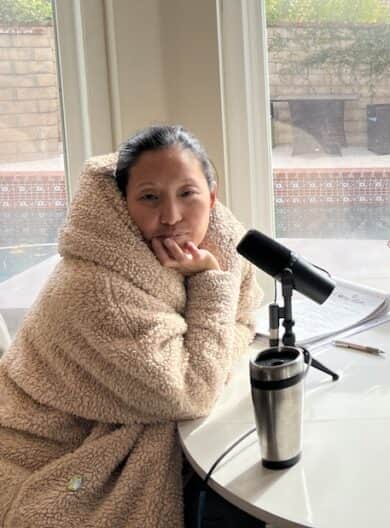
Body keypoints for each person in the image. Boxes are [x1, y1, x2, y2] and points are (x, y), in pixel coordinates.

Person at [0, 125, 262, 527]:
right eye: (149, 197)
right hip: (52, 454)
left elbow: (245, 316)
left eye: (187, 194)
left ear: (212, 195)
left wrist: (201, 350)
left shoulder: (217, 239)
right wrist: (210, 281)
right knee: (243, 492)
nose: (172, 216)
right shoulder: (99, 289)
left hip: (130, 420)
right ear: (123, 204)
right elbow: (192, 392)